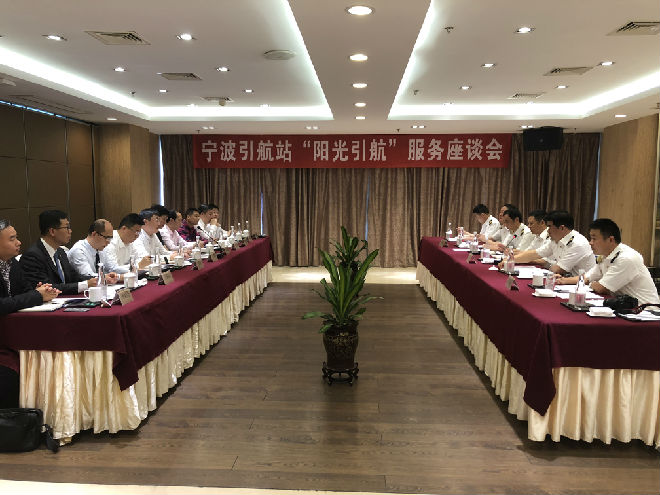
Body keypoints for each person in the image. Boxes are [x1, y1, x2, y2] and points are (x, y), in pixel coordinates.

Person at [0, 219, 60, 408]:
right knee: (10, 374)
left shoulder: (12, 264)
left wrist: (42, 291)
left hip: (12, 334)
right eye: (12, 239)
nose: (19, 242)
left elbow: (26, 291)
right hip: (4, 341)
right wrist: (36, 296)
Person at [555, 218, 660, 305]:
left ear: (610, 239)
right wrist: (563, 280)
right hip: (623, 305)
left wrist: (593, 283)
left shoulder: (626, 258)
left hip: (645, 310)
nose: (590, 243)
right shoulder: (605, 256)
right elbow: (587, 278)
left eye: (594, 239)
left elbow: (602, 288)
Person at [20, 210, 98, 295]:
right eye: (67, 227)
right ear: (52, 231)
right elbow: (48, 288)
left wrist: (98, 278)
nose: (70, 231)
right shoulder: (32, 256)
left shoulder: (60, 251)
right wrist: (85, 284)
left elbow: (74, 277)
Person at [508, 210, 596, 275]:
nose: (548, 230)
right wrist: (510, 260)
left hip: (582, 286)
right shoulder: (555, 240)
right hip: (565, 281)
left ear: (561, 228)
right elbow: (535, 254)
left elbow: (558, 270)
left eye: (550, 227)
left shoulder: (577, 244)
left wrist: (547, 265)